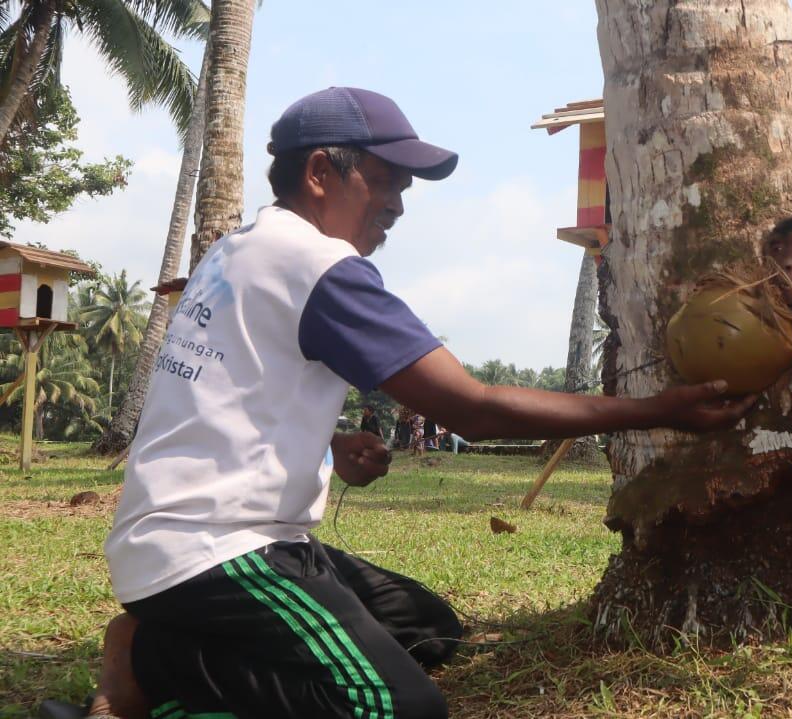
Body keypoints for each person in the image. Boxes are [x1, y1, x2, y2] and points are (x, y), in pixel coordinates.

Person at [52, 87, 755, 719]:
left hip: (186, 543)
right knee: (397, 706)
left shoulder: (236, 250)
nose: (396, 203)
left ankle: (171, 641)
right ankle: (150, 664)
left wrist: (328, 447)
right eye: (384, 180)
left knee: (429, 626)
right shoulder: (319, 267)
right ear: (320, 172)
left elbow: (217, 394)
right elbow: (473, 408)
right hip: (214, 551)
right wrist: (662, 408)